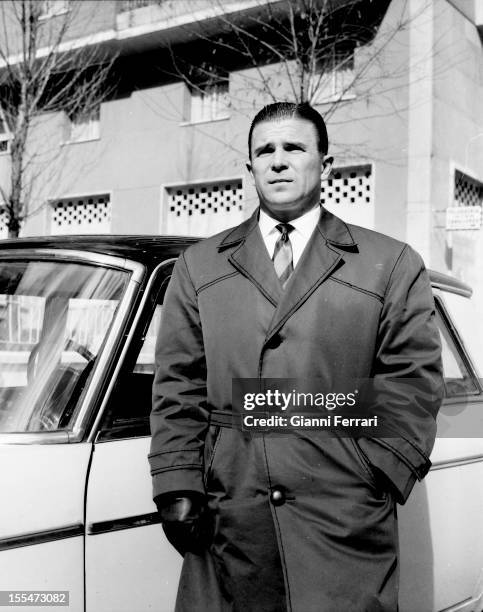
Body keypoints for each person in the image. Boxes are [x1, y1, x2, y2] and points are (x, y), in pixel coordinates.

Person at [149, 102, 443, 612]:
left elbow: (413, 383)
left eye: (294, 148)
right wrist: (177, 483)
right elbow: (179, 384)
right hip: (231, 517)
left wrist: (373, 476)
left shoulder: (389, 263)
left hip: (343, 517)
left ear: (325, 166)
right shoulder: (199, 266)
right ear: (249, 169)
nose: (278, 161)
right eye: (265, 150)